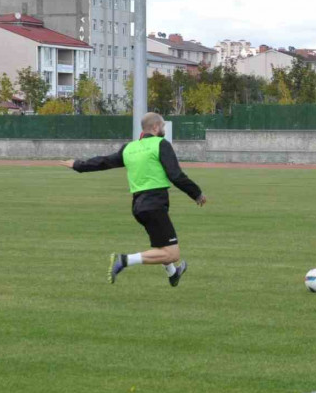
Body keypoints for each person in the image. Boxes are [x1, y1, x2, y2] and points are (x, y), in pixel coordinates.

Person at [60, 112, 207, 287]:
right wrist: (196, 193)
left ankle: (173, 273)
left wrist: (78, 165)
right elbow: (175, 175)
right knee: (172, 254)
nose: (164, 129)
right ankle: (125, 260)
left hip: (139, 207)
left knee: (162, 248)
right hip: (155, 205)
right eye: (163, 126)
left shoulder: (129, 148)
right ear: (155, 127)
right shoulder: (161, 144)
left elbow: (104, 162)